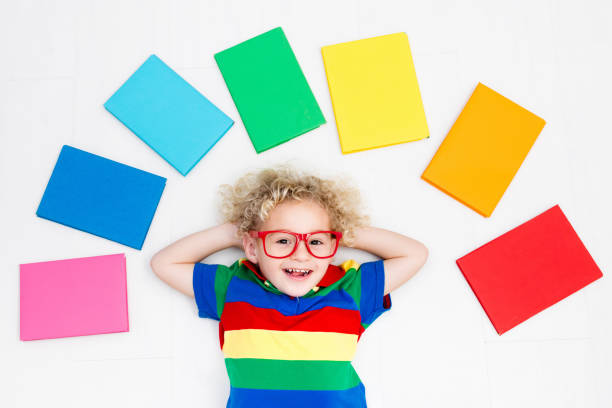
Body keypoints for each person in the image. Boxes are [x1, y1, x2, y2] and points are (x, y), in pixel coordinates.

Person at [150, 166, 428, 407]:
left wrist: (344, 231)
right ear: (252, 248)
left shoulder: (349, 288)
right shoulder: (234, 286)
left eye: (316, 241)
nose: (301, 254)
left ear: (333, 246)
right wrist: (233, 232)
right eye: (283, 240)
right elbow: (165, 264)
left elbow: (414, 254)